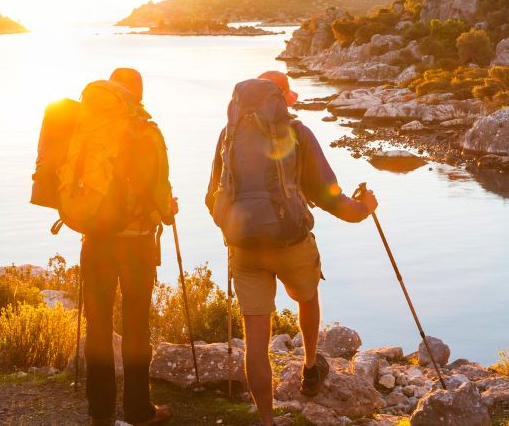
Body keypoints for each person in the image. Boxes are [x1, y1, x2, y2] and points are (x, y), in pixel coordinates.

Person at [205, 71, 377, 426]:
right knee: (307, 295)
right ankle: (311, 367)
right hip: (291, 240)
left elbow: (212, 197)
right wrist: (365, 209)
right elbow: (329, 196)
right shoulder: (297, 133)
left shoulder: (229, 134)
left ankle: (267, 421)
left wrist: (239, 226)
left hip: (244, 246)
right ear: (280, 99)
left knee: (256, 340)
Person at [81, 67, 178, 426]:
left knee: (98, 326)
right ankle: (139, 410)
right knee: (136, 327)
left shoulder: (88, 130)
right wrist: (168, 209)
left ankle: (99, 411)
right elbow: (159, 197)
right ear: (137, 93)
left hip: (94, 240)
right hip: (135, 244)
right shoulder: (147, 132)